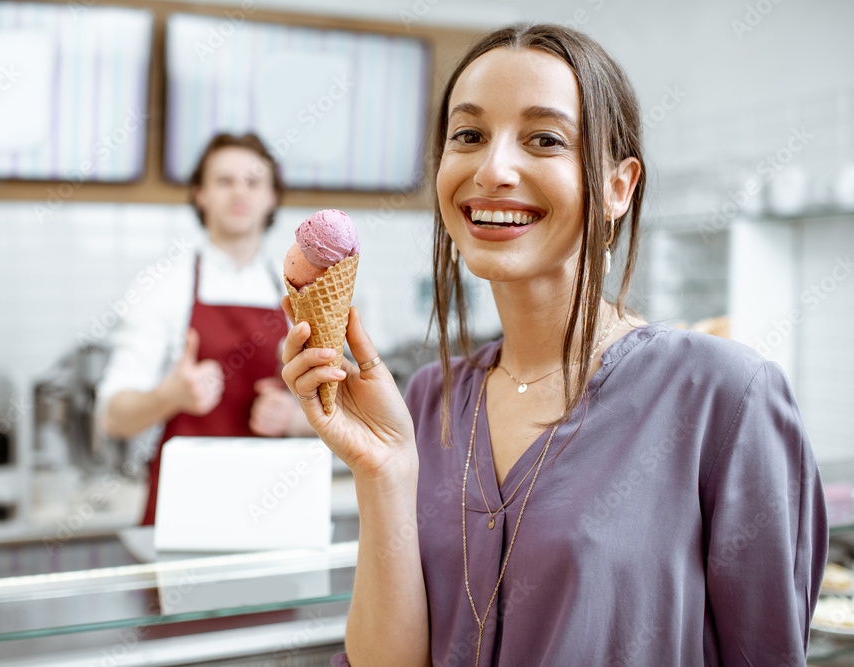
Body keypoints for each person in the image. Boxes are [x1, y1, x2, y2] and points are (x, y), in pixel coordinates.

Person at [281, 24, 828, 667]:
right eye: (469, 135)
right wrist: (383, 471)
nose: (492, 169)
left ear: (619, 187)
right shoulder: (425, 399)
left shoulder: (724, 397)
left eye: (544, 139)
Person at [98, 132, 313, 525]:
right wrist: (170, 396)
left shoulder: (299, 294)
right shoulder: (161, 286)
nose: (239, 193)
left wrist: (295, 421)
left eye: (252, 181)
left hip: (272, 506)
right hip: (183, 507)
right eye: (224, 180)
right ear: (200, 195)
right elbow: (113, 417)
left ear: (272, 197)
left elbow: (340, 410)